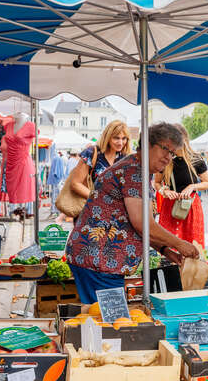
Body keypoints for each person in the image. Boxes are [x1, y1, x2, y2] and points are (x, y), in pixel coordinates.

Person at [66, 122, 200, 304]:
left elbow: (136, 223)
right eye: (165, 149)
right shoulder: (134, 172)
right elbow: (142, 222)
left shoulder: (139, 169)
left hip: (101, 259)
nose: (168, 157)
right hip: (100, 259)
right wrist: (179, 243)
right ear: (148, 144)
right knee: (110, 323)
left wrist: (164, 249)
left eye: (172, 153)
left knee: (106, 319)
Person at [154, 124, 208, 247]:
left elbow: (207, 183)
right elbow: (156, 183)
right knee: (168, 245)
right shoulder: (165, 159)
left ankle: (192, 267)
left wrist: (192, 186)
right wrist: (165, 191)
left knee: (192, 245)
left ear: (183, 139)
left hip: (190, 206)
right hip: (170, 206)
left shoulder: (196, 159)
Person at [68, 120, 131, 201]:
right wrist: (99, 200)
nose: (120, 142)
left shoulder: (125, 158)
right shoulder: (91, 153)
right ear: (107, 137)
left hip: (118, 210)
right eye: (116, 138)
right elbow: (75, 184)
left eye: (124, 138)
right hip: (94, 208)